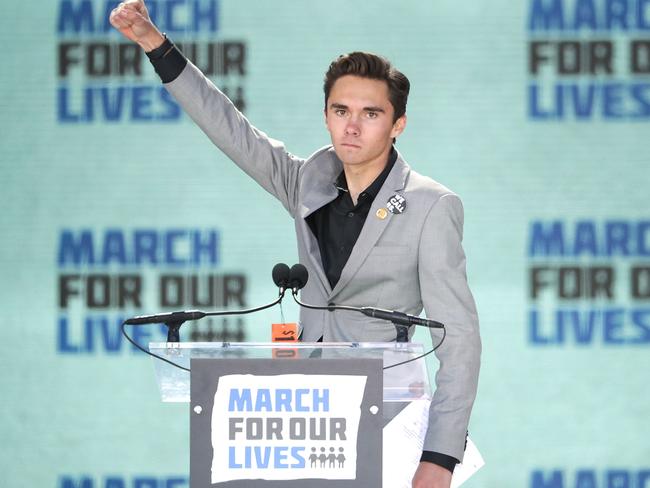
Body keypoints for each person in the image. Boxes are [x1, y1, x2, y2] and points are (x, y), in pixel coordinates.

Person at [110, 2, 481, 487]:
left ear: (398, 125)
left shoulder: (432, 205)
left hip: (389, 425)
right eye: (340, 110)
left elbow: (459, 341)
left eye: (371, 113)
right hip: (306, 422)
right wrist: (158, 48)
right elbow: (230, 129)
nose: (352, 125)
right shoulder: (306, 182)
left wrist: (440, 457)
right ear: (326, 116)